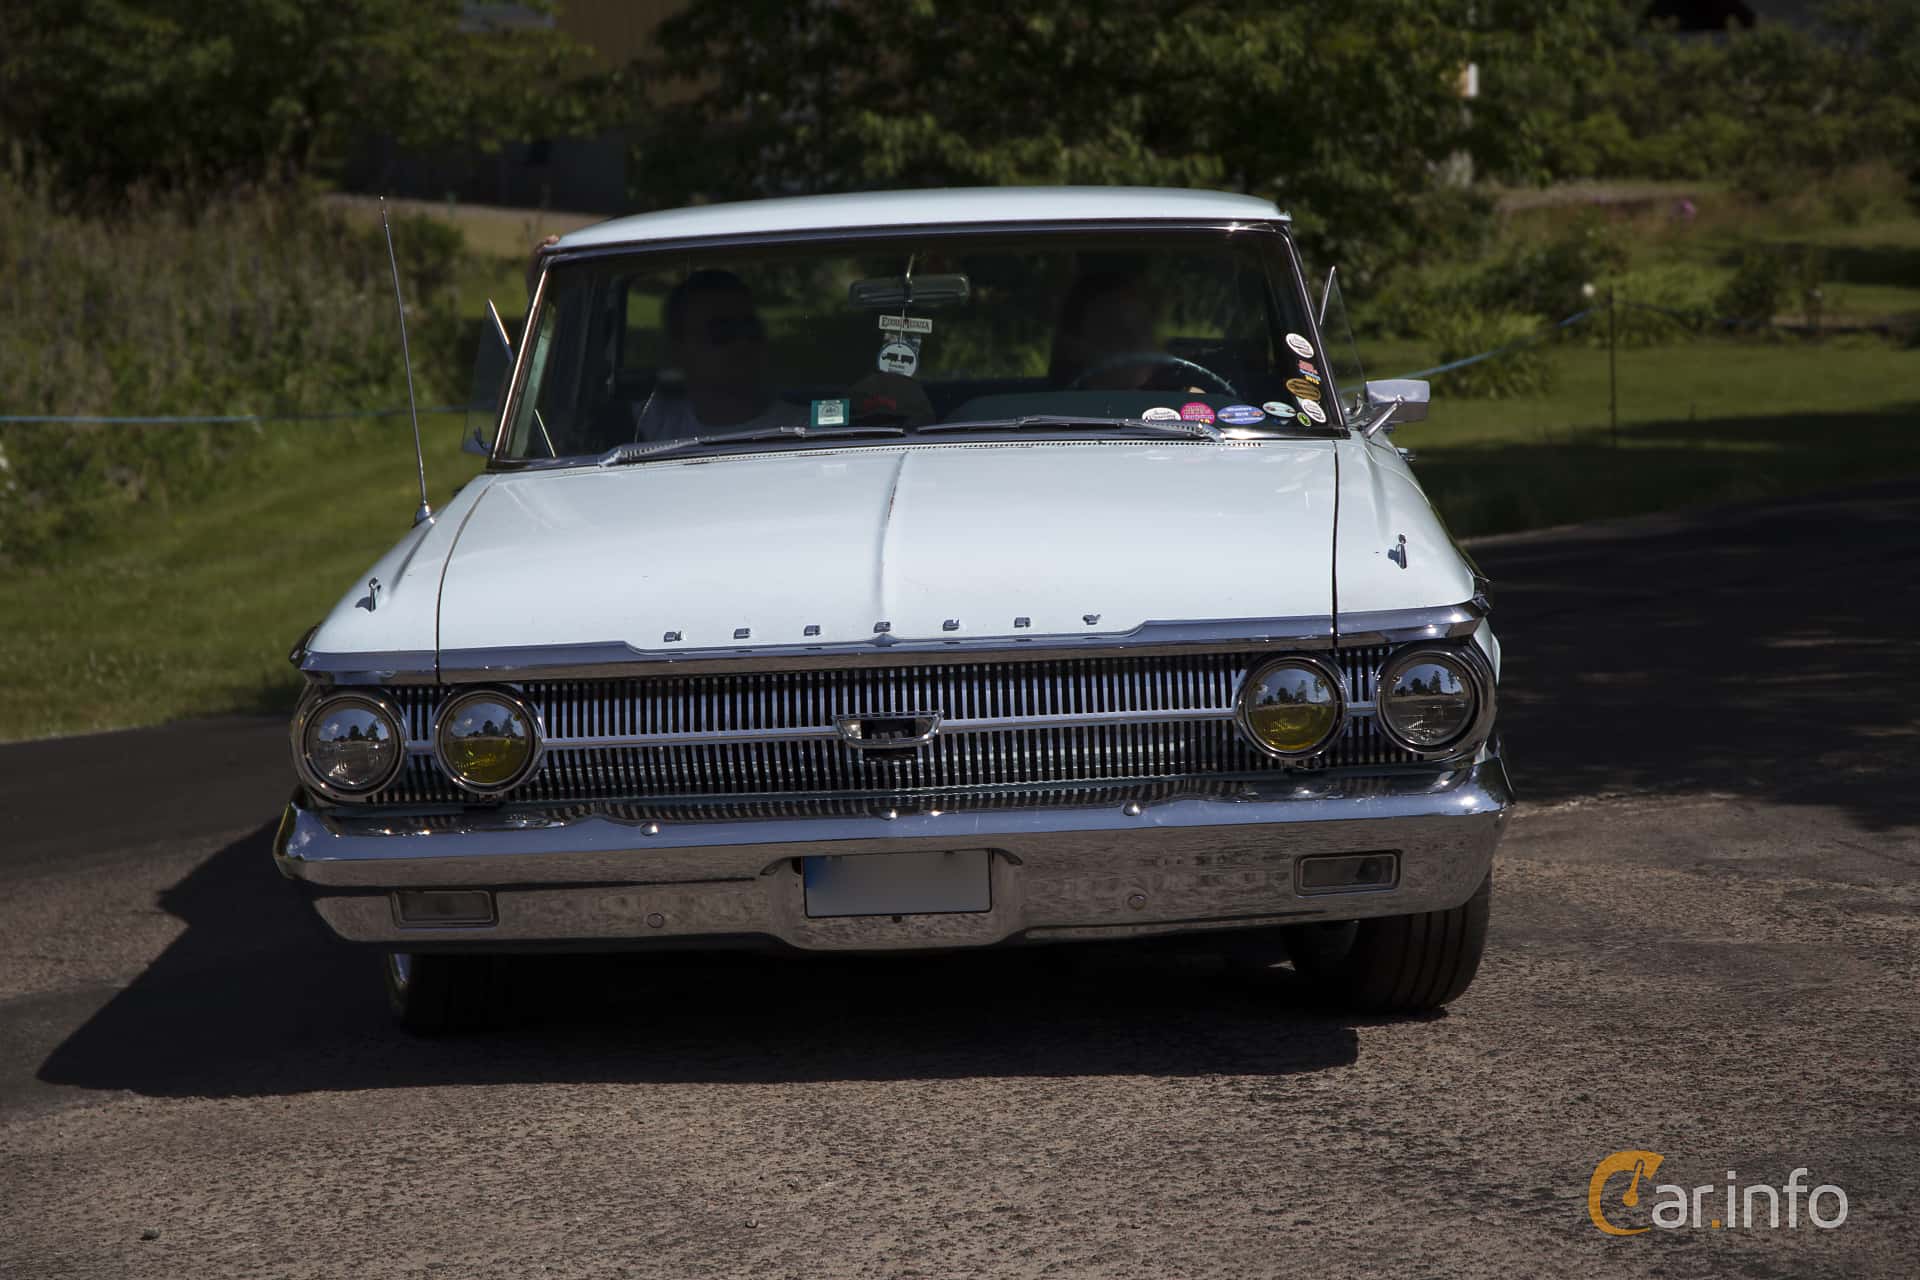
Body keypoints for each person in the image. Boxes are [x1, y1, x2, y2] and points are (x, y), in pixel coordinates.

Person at [631, 269, 802, 441]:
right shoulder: (649, 427)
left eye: (751, 329)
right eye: (721, 332)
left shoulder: (809, 433)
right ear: (679, 349)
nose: (743, 343)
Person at [1048, 271, 1161, 389]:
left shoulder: (1170, 399)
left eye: (1144, 330)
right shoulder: (1048, 404)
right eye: (1118, 333)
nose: (1139, 345)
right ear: (1074, 348)